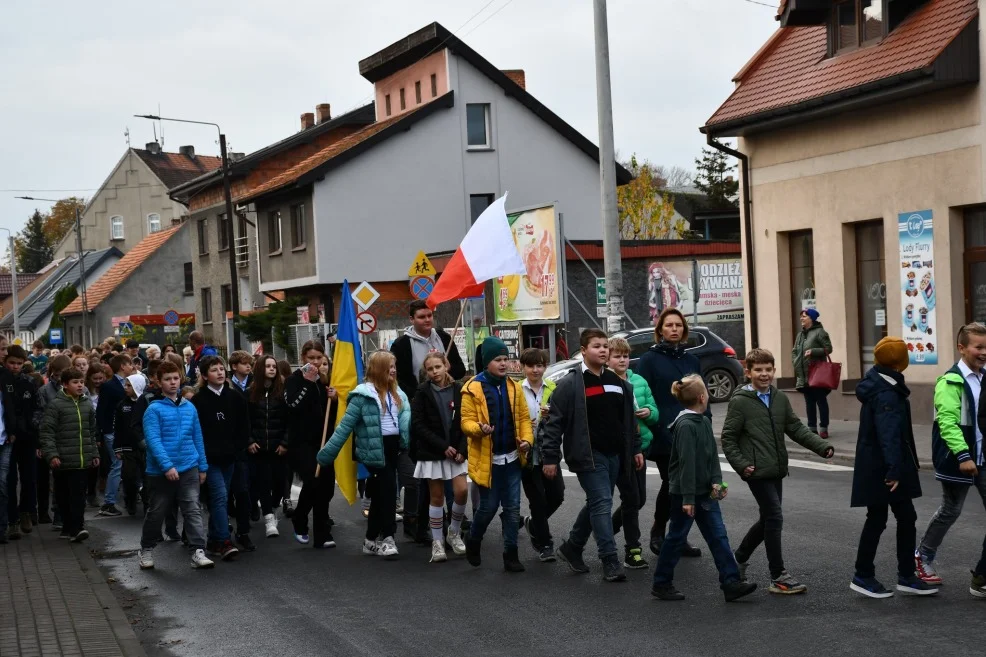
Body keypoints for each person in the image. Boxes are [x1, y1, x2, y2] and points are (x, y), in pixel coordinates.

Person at [721, 348, 834, 594]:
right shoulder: (740, 402)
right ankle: (778, 575)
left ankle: (737, 558)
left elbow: (795, 428)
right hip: (755, 470)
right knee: (774, 517)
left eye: (768, 370)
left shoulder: (778, 397)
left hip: (775, 468)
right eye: (758, 370)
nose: (764, 375)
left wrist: (821, 446)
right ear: (748, 372)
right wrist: (741, 464)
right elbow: (728, 438)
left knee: (767, 519)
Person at [541, 329, 641, 582]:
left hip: (615, 455)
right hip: (588, 455)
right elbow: (554, 423)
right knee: (602, 504)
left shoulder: (618, 383)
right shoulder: (571, 384)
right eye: (597, 346)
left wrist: (636, 449)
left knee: (598, 502)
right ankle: (609, 559)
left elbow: (628, 421)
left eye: (605, 346)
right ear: (583, 351)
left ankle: (573, 546)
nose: (604, 350)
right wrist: (550, 457)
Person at [650, 374, 757, 602]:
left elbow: (711, 458)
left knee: (718, 536)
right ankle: (661, 582)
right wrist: (688, 498)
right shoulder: (687, 425)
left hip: (705, 492)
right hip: (685, 493)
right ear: (701, 397)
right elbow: (687, 465)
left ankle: (731, 582)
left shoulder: (703, 421)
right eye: (707, 392)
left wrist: (716, 481)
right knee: (676, 538)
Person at [849, 337, 936, 598]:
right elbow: (889, 434)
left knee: (894, 517)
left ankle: (898, 575)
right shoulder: (887, 391)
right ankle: (871, 575)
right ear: (900, 364)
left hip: (878, 464)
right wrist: (894, 470)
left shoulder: (877, 382)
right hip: (885, 467)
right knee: (891, 518)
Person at [915, 322, 986, 596]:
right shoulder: (951, 381)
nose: (983, 352)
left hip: (983, 458)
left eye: (985, 347)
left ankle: (981, 575)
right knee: (950, 510)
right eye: (978, 347)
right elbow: (947, 422)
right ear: (962, 348)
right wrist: (963, 454)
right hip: (961, 459)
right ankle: (923, 557)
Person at [317, 351, 409, 558]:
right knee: (388, 493)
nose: (393, 370)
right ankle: (388, 538)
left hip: (394, 448)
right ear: (377, 369)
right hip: (374, 451)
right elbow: (344, 428)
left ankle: (369, 540)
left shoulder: (398, 393)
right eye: (389, 366)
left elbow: (407, 422)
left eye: (394, 366)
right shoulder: (362, 395)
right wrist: (326, 455)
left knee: (378, 495)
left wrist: (408, 442)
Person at [391, 300, 466, 543]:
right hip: (420, 404)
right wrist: (420, 393)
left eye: (430, 315)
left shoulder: (443, 337)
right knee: (426, 474)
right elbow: (399, 377)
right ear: (412, 319)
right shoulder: (402, 344)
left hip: (446, 403)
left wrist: (446, 368)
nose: (427, 320)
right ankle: (418, 523)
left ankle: (452, 522)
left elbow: (461, 368)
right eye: (421, 316)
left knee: (453, 470)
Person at [459, 337, 534, 573]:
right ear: (486, 362)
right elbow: (466, 422)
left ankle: (510, 555)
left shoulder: (514, 387)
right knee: (488, 508)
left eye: (506, 359)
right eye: (497, 360)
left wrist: (526, 441)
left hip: (511, 458)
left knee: (512, 510)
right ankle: (474, 538)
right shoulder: (472, 388)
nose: (503, 364)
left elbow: (523, 419)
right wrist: (478, 429)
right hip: (488, 461)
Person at [635, 307, 705, 557]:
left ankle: (679, 536)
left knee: (687, 485)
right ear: (660, 331)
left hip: (692, 430)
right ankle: (658, 531)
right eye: (669, 325)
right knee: (671, 483)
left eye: (678, 325)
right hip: (664, 430)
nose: (674, 329)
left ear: (684, 330)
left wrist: (704, 423)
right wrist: (654, 426)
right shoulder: (649, 359)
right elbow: (643, 395)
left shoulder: (691, 360)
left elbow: (701, 395)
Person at [137, 360, 214, 570]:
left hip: (189, 466)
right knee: (157, 512)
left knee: (192, 509)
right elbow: (153, 441)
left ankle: (198, 550)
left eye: (175, 378)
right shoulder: (154, 410)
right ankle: (146, 548)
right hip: (161, 471)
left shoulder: (190, 407)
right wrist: (167, 466)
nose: (173, 382)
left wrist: (202, 466)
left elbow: (197, 437)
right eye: (167, 379)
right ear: (159, 382)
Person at [410, 352, 468, 563]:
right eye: (430, 369)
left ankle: (453, 532)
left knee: (461, 491)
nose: (434, 372)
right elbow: (418, 424)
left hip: (456, 451)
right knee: (437, 497)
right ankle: (437, 542)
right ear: (426, 372)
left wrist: (462, 448)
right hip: (433, 452)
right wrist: (443, 446)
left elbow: (465, 420)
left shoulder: (459, 389)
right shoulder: (422, 392)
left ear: (446, 366)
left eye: (438, 367)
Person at [608, 337, 659, 570]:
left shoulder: (639, 380)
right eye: (617, 356)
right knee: (631, 500)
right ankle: (632, 549)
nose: (622, 360)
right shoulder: (607, 382)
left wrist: (649, 412)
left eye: (625, 356)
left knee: (639, 500)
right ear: (607, 359)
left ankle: (608, 528)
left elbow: (655, 411)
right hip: (618, 450)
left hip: (641, 447)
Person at [192, 356, 250, 558]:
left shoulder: (235, 398)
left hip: (230, 458)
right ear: (205, 375)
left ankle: (214, 540)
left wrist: (238, 448)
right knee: (219, 497)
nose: (219, 373)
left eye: (221, 369)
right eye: (214, 370)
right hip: (210, 460)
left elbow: (244, 427)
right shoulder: (198, 401)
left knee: (221, 499)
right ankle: (225, 541)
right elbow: (196, 432)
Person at [285, 341, 337, 548]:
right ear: (303, 358)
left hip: (324, 441)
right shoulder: (294, 380)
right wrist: (307, 383)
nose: (315, 363)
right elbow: (292, 405)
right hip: (301, 442)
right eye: (311, 358)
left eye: (319, 358)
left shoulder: (325, 381)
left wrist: (335, 399)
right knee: (313, 482)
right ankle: (303, 520)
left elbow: (330, 416)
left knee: (325, 488)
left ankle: (320, 532)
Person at [39, 368, 99, 543]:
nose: (80, 385)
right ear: (65, 384)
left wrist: (94, 452)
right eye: (75, 382)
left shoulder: (86, 403)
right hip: (62, 459)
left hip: (81, 459)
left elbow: (91, 431)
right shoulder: (56, 405)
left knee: (78, 496)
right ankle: (67, 526)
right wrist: (52, 455)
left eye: (81, 381)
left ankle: (77, 528)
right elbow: (47, 432)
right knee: (63, 496)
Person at [517, 347, 564, 563]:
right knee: (537, 499)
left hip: (549, 450)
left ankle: (534, 524)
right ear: (523, 367)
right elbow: (512, 419)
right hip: (526, 453)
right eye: (530, 365)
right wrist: (526, 425)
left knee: (557, 495)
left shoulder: (554, 388)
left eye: (540, 365)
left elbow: (562, 418)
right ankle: (544, 544)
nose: (535, 370)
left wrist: (551, 415)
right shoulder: (516, 390)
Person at [248, 355, 288, 538]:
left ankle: (272, 507)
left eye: (274, 366)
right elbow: (246, 421)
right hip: (259, 448)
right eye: (267, 366)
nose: (272, 369)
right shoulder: (251, 392)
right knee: (263, 482)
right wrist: (249, 441)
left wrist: (285, 443)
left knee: (281, 484)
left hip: (279, 447)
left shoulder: (283, 393)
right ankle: (269, 519)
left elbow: (290, 421)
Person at [5, 346, 40, 538]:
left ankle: (26, 511)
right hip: (8, 438)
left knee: (29, 477)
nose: (15, 367)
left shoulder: (29, 382)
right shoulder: (3, 381)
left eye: (19, 363)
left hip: (27, 437)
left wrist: (33, 425)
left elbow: (38, 408)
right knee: (9, 480)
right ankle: (11, 520)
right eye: (11, 363)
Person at [36, 354, 71, 526]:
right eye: (57, 375)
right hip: (54, 439)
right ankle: (58, 513)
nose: (60, 378)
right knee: (57, 478)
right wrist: (42, 442)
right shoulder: (45, 391)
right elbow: (40, 418)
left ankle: (71, 515)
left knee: (71, 479)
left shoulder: (79, 388)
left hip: (71, 438)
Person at [96, 354, 133, 516]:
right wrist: (100, 433)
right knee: (117, 465)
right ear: (122, 366)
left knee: (123, 465)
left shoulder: (127, 383)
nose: (132, 366)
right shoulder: (109, 386)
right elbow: (101, 410)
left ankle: (125, 497)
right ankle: (109, 502)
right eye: (129, 364)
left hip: (123, 430)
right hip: (111, 431)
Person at [792, 308, 834, 438]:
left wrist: (814, 351)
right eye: (801, 316)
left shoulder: (820, 332)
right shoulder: (800, 335)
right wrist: (795, 361)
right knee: (809, 402)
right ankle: (812, 428)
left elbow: (829, 348)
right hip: (803, 373)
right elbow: (794, 351)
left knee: (821, 401)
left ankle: (823, 428)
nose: (801, 319)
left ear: (811, 318)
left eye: (804, 316)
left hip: (817, 373)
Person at [113, 374, 147, 516]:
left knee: (148, 478)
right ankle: (130, 501)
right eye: (125, 385)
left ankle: (148, 503)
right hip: (128, 447)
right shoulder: (122, 405)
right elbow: (118, 427)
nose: (125, 388)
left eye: (129, 385)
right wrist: (117, 447)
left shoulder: (146, 403)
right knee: (129, 477)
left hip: (145, 447)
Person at [85, 363, 108, 508]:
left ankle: (96, 491)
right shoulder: (87, 392)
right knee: (92, 464)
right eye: (95, 378)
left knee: (102, 464)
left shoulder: (106, 391)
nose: (98, 381)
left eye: (101, 378)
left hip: (103, 429)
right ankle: (90, 493)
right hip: (90, 430)